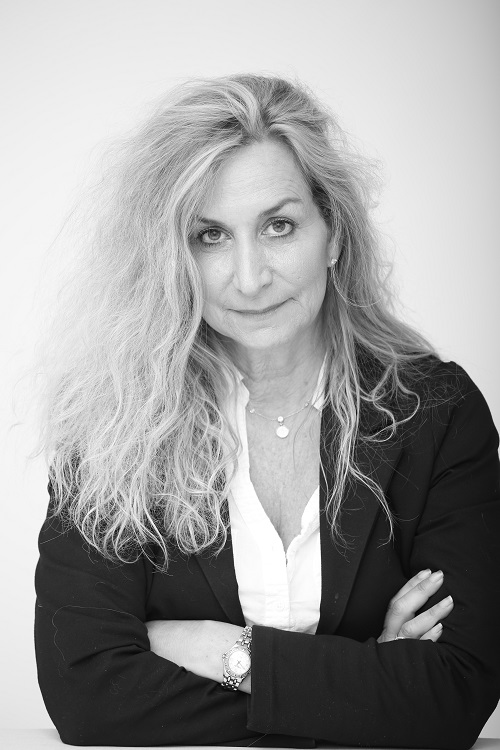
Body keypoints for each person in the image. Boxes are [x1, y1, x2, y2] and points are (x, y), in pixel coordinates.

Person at [35, 73, 500, 749]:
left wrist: (230, 654)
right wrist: (368, 682)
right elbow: (88, 698)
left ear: (333, 233)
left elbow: (454, 695)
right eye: (210, 236)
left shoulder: (437, 411)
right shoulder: (112, 421)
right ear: (171, 256)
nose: (250, 278)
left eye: (279, 226)